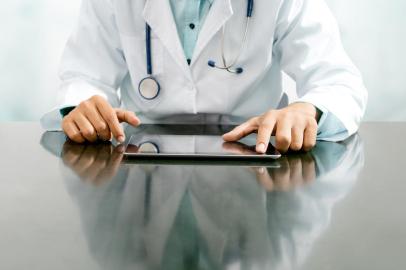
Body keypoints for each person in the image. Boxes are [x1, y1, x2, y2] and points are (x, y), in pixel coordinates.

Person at [41, 0, 367, 153]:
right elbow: (84, 75)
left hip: (256, 157)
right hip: (140, 162)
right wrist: (81, 107)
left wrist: (308, 110)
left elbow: (336, 81)